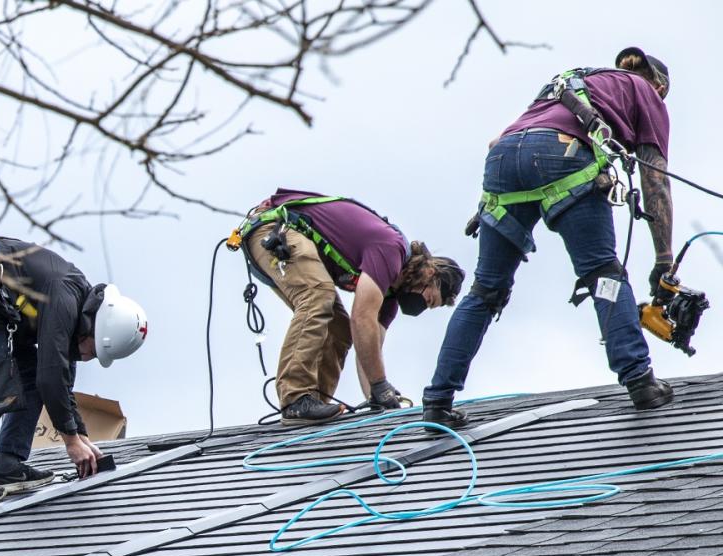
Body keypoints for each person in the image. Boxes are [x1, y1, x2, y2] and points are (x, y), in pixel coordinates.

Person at [422, 47, 675, 427]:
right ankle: (640, 381)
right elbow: (654, 180)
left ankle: (437, 402)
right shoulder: (645, 92)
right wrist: (664, 259)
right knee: (603, 274)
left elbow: (500, 143)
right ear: (659, 86)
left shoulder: (571, 83)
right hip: (563, 153)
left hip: (503, 159)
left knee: (485, 290)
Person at [0, 235, 147, 510]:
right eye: (93, 351)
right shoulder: (65, 300)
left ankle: (8, 465)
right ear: (94, 329)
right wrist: (71, 442)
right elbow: (52, 375)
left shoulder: (77, 307)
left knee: (29, 373)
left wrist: (80, 436)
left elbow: (60, 376)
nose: (89, 358)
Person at [240, 189, 465, 426]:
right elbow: (361, 318)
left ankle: (314, 402)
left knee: (339, 328)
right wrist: (381, 387)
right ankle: (296, 399)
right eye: (428, 299)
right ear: (429, 273)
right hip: (275, 229)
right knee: (317, 296)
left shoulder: (388, 296)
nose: (421, 306)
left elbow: (367, 346)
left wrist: (379, 400)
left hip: (285, 240)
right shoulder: (392, 250)